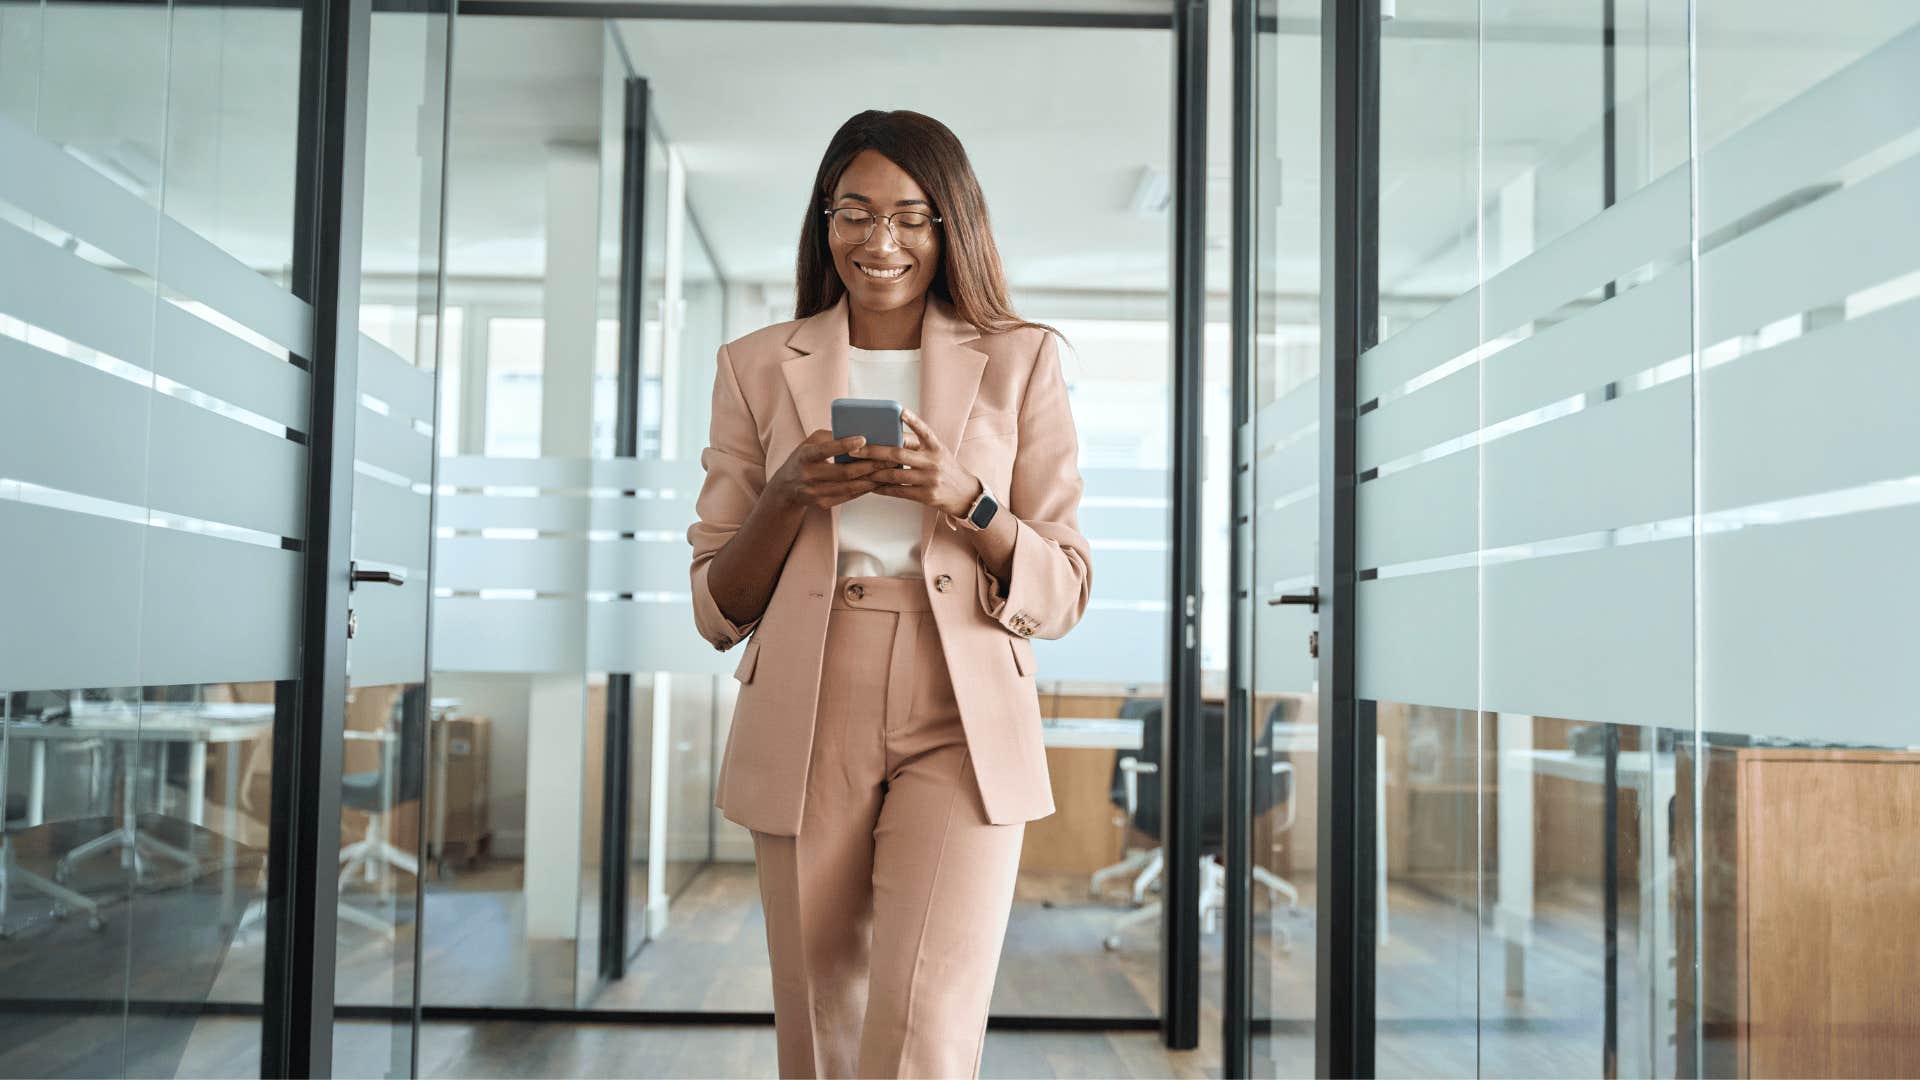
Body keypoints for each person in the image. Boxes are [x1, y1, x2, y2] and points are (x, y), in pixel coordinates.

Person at [686, 109, 1092, 1078]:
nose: (881, 242)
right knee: (821, 1020)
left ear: (952, 226)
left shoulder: (1023, 357)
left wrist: (969, 499)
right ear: (824, 223)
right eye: (855, 213)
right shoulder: (753, 364)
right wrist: (788, 497)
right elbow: (715, 604)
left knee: (927, 1020)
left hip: (964, 704)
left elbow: (1065, 586)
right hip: (807, 692)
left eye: (912, 217)